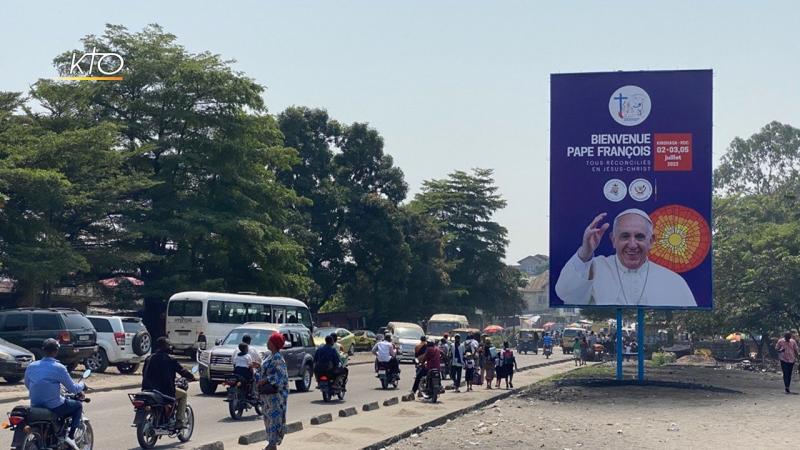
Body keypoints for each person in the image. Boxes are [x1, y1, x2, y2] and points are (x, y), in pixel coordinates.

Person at [554, 209, 696, 307]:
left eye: (639, 236)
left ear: (651, 241)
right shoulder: (596, 267)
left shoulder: (673, 281)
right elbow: (567, 295)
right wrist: (585, 253)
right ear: (613, 240)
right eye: (625, 236)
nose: (632, 244)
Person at [24, 339, 86, 449]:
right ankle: (71, 437)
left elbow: (28, 384)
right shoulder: (59, 368)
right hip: (54, 406)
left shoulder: (31, 366)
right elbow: (73, 388)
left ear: (43, 350)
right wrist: (82, 384)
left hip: (36, 405)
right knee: (77, 406)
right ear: (56, 351)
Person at [141, 337, 195, 428]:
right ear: (166, 347)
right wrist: (192, 377)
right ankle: (179, 421)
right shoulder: (170, 359)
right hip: (163, 391)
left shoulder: (149, 358)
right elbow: (182, 371)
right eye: (168, 345)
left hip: (147, 389)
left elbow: (144, 373)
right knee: (183, 395)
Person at [259, 332, 290, 450]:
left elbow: (281, 376)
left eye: (269, 341)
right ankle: (271, 445)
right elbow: (267, 370)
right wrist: (258, 367)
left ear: (273, 344)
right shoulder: (270, 356)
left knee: (274, 421)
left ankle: (272, 445)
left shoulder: (277, 358)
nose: (267, 343)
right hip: (267, 396)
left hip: (275, 397)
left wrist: (265, 380)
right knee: (268, 420)